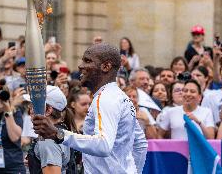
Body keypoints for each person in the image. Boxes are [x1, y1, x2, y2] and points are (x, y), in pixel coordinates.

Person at [32, 43, 141, 173]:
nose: (80, 66)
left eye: (87, 61)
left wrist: (58, 134)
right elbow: (140, 144)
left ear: (106, 66)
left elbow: (104, 145)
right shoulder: (119, 96)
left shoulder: (105, 99)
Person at [27, 85, 71, 174]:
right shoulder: (60, 132)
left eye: (33, 105)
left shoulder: (48, 141)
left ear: (48, 110)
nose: (30, 110)